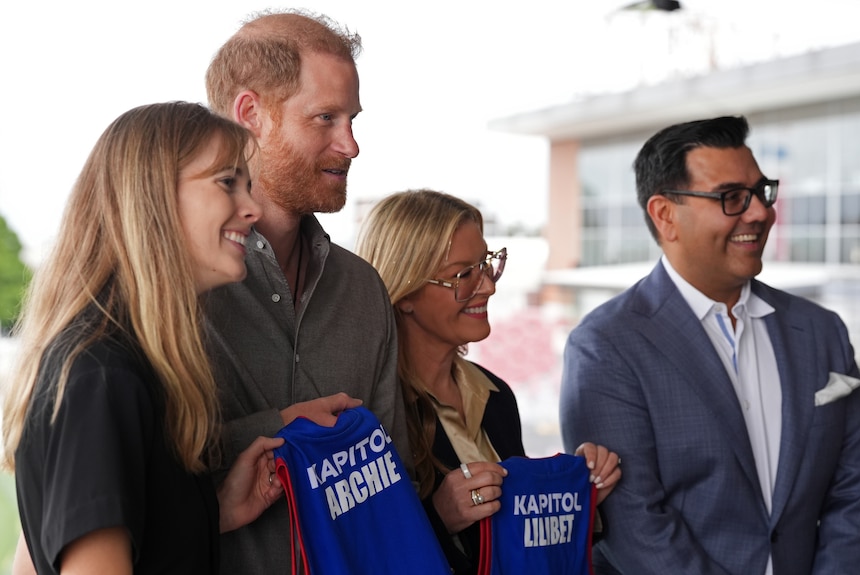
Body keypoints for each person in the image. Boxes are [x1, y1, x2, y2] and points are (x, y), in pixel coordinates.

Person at [559, 115, 860, 574]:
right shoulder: (606, 345)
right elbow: (636, 525)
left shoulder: (822, 331)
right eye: (732, 198)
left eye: (761, 192)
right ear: (665, 215)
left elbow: (852, 490)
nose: (760, 212)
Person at [0, 101, 287, 574]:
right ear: (150, 194)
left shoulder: (116, 363)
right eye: (227, 183)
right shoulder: (103, 375)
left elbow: (32, 561)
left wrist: (212, 511)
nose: (253, 209)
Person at [202, 9, 408, 573]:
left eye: (352, 118)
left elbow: (392, 482)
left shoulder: (364, 290)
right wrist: (279, 428)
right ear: (251, 117)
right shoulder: (172, 287)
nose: (351, 145)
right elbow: (126, 469)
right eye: (325, 118)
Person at [355, 189, 621, 575]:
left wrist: (577, 497)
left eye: (486, 265)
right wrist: (438, 518)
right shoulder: (372, 413)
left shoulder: (496, 394)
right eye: (463, 275)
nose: (488, 286)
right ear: (405, 292)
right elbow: (358, 552)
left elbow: (522, 542)